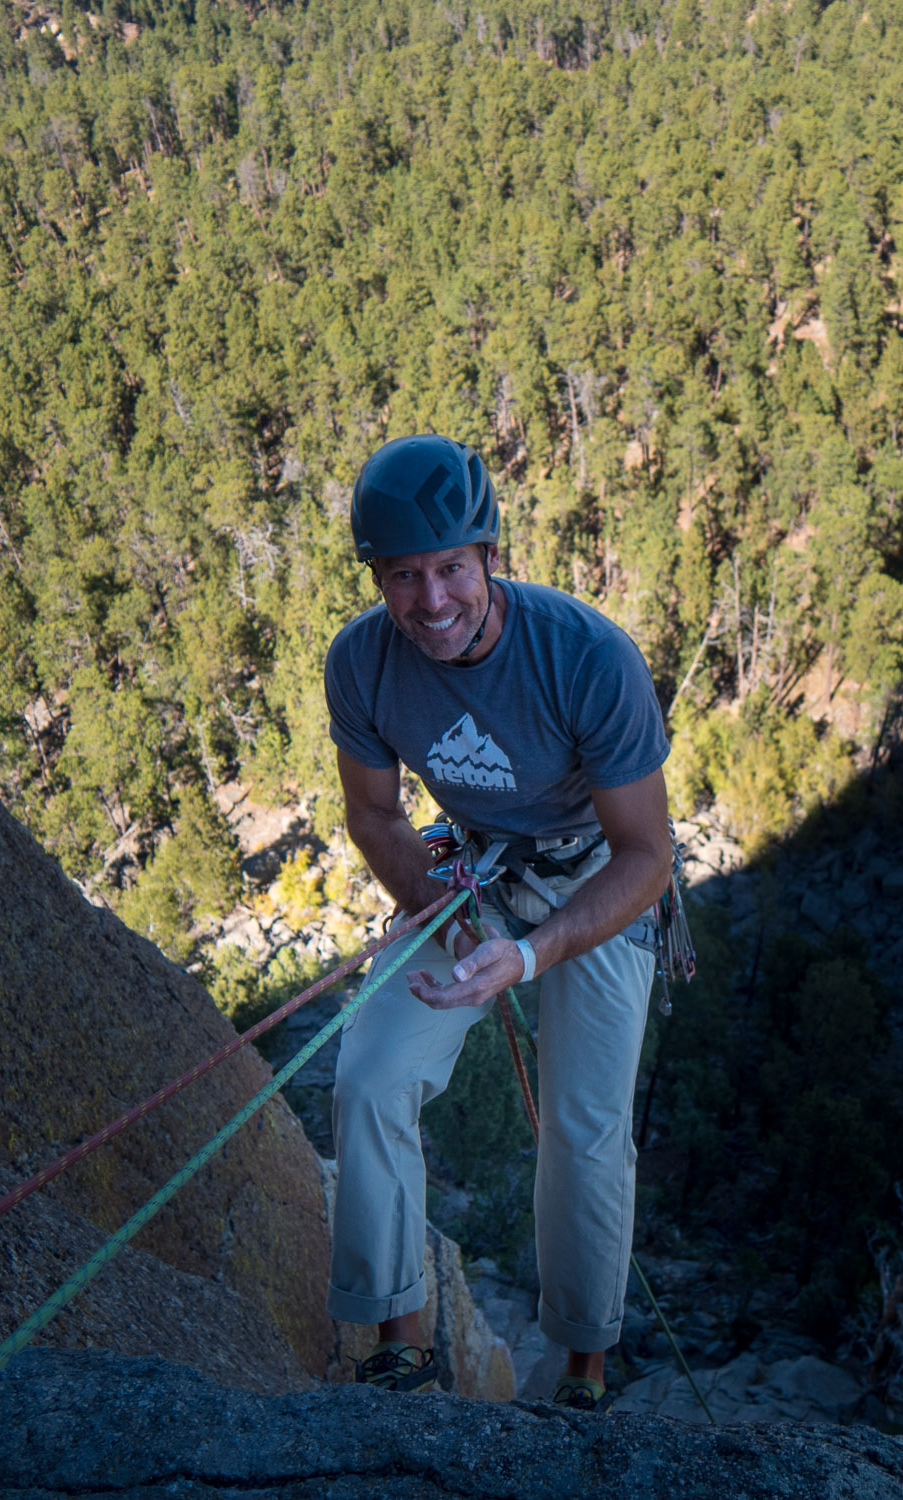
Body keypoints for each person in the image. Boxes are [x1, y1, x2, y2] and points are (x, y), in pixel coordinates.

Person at [322, 433, 672, 1412]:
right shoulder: (362, 664)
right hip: (469, 873)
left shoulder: (587, 657)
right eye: (402, 576)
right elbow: (375, 815)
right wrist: (436, 914)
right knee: (370, 1072)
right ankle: (399, 1339)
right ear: (378, 581)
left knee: (585, 1130)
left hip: (593, 873)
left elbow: (646, 853)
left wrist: (527, 953)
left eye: (448, 569)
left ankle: (580, 1367)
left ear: (489, 557)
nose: (429, 602)